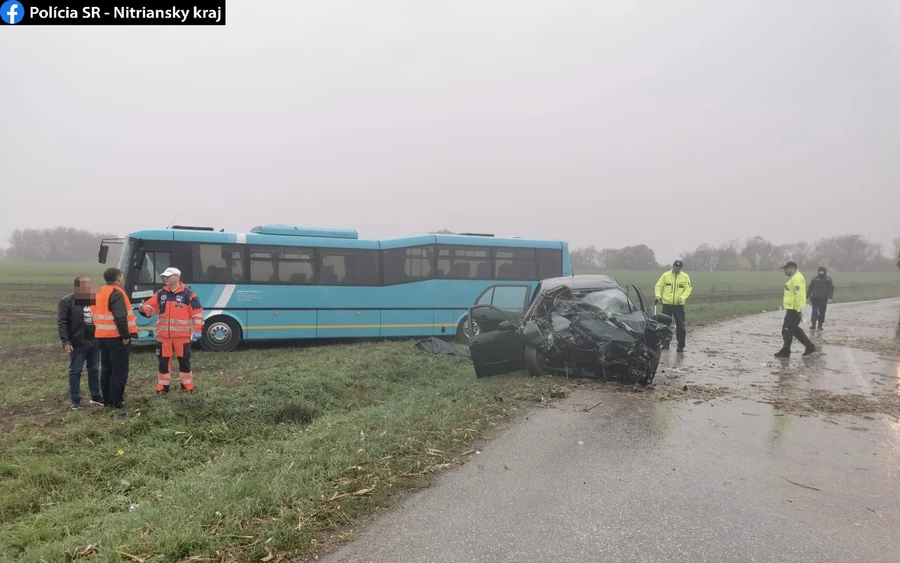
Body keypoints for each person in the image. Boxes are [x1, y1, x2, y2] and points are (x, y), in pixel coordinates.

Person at [137, 267, 204, 394]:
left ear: (177, 277)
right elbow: (150, 309)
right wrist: (142, 309)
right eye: (164, 276)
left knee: (184, 362)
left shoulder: (189, 294)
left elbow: (197, 314)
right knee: (163, 362)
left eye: (168, 276)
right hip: (163, 337)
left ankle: (187, 385)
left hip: (182, 337)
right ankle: (163, 387)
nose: (165, 278)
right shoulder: (160, 294)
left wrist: (198, 330)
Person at [91, 267, 138, 411]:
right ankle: (117, 401)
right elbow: (120, 317)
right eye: (122, 276)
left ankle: (107, 399)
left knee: (106, 369)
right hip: (116, 337)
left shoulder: (98, 292)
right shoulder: (117, 293)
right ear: (118, 277)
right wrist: (125, 336)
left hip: (101, 336)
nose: (122, 279)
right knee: (119, 371)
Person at [57, 276, 102, 410]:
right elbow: (62, 322)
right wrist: (66, 341)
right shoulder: (67, 301)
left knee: (94, 369)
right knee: (75, 370)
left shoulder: (94, 299)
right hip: (78, 342)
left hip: (95, 341)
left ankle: (96, 396)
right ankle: (75, 400)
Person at [774, 261, 816, 358]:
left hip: (794, 310)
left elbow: (800, 295)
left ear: (792, 268)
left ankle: (786, 351)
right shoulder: (794, 277)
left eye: (786, 269)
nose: (785, 271)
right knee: (794, 330)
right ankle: (809, 346)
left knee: (786, 330)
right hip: (792, 308)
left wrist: (799, 310)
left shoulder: (796, 278)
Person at [654, 260, 693, 352]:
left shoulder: (685, 277)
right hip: (667, 304)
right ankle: (665, 343)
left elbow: (688, 289)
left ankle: (680, 345)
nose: (677, 269)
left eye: (679, 268)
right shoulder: (665, 275)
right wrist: (658, 296)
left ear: (681, 268)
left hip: (679, 305)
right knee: (665, 325)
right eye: (675, 267)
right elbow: (658, 286)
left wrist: (682, 298)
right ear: (673, 266)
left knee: (681, 325)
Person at [807, 266, 834, 331]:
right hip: (814, 298)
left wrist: (830, 298)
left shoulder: (828, 279)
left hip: (823, 299)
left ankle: (820, 325)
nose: (821, 272)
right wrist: (807, 295)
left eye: (822, 270)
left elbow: (831, 289)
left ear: (825, 271)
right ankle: (813, 324)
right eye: (820, 270)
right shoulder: (815, 279)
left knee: (822, 312)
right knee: (814, 312)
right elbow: (810, 287)